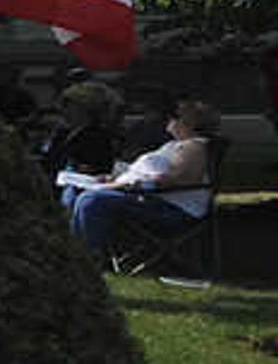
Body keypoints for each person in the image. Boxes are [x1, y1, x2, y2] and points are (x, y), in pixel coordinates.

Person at [56, 100, 221, 257]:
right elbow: (148, 170)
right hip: (145, 197)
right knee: (72, 191)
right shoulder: (173, 145)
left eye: (175, 116)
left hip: (170, 209)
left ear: (190, 123)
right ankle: (72, 254)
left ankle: (87, 258)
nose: (170, 119)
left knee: (92, 200)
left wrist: (135, 184)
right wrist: (114, 179)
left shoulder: (194, 146)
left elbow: (185, 179)